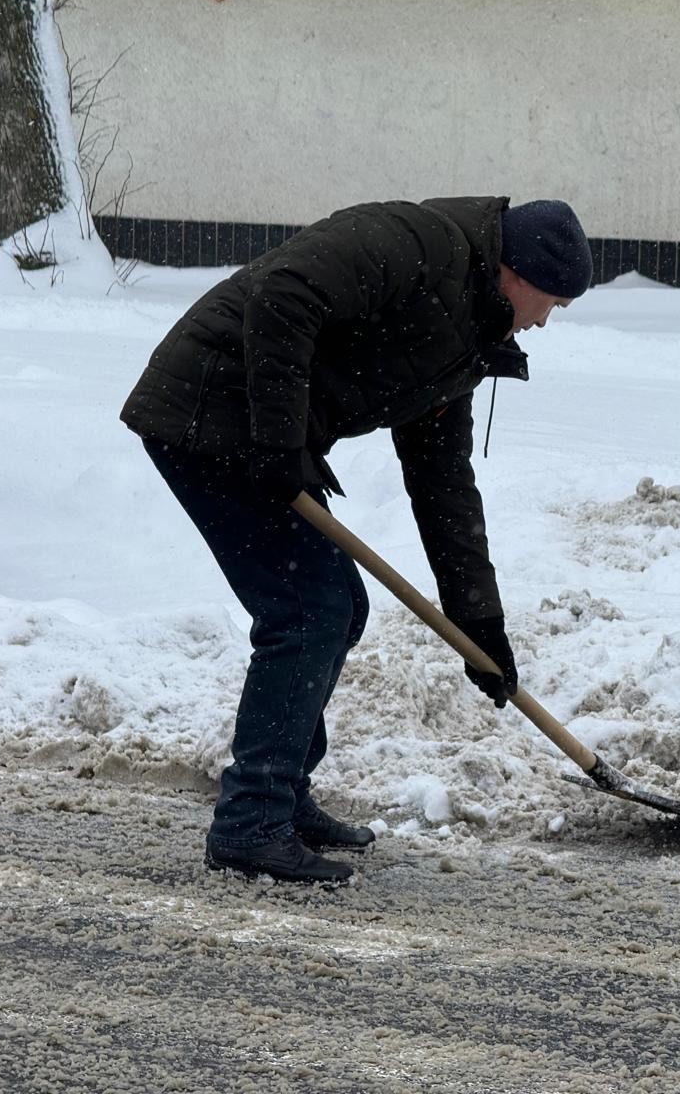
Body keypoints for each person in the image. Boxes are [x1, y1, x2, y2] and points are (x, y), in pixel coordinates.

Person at [120, 195, 592, 884]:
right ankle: (251, 821)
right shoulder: (413, 244)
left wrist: (478, 622)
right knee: (308, 610)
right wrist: (280, 443)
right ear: (512, 271)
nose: (544, 320)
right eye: (548, 301)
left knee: (338, 604)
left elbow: (443, 484)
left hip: (258, 434)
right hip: (208, 410)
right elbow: (285, 293)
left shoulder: (465, 337)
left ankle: (280, 794)